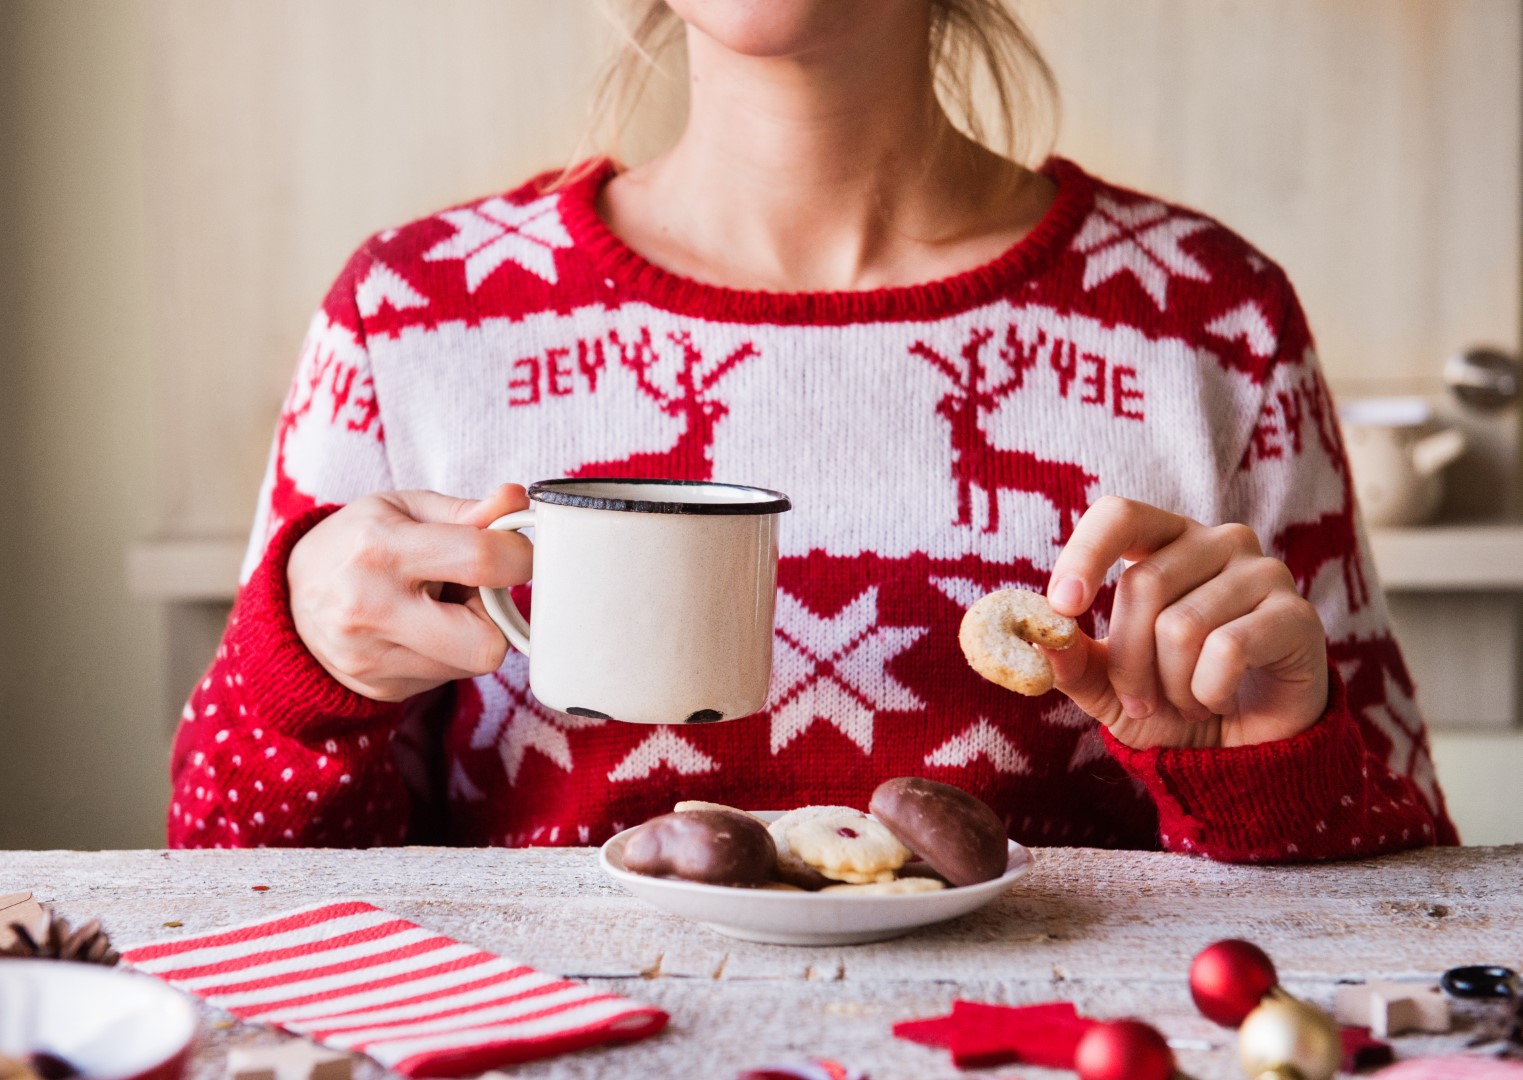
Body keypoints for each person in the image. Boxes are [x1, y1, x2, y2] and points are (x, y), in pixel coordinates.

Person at [167, 0, 1457, 860]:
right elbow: (230, 900)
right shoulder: (412, 318)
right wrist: (301, 682)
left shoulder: (1210, 318)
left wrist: (1266, 767)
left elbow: (1405, 925)